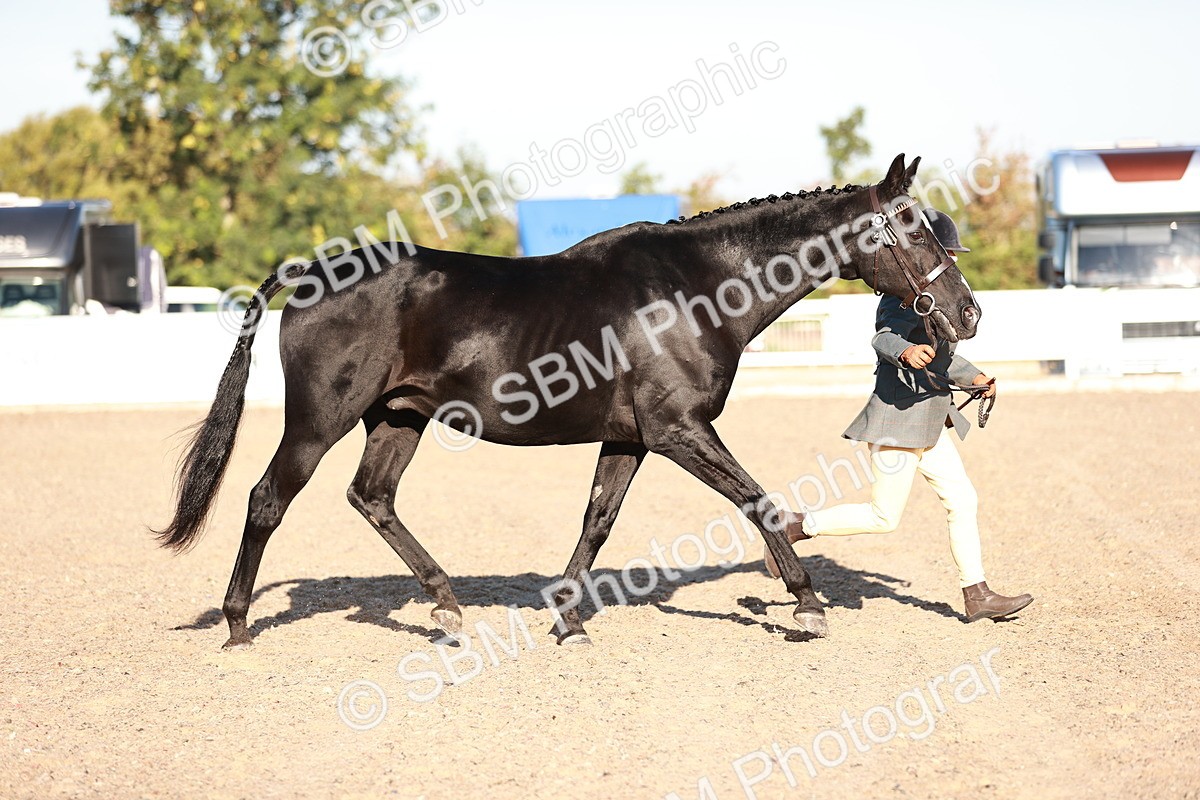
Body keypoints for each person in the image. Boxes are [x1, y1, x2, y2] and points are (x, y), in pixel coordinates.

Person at [765, 209, 1033, 623]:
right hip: (897, 422)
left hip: (932, 423)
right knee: (883, 517)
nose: (953, 262)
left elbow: (944, 359)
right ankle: (794, 527)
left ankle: (976, 593)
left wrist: (975, 376)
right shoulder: (899, 297)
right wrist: (903, 352)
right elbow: (883, 337)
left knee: (963, 500)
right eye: (949, 254)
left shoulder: (938, 299)